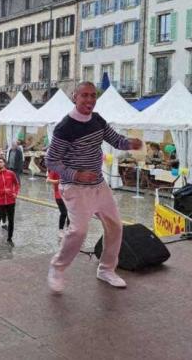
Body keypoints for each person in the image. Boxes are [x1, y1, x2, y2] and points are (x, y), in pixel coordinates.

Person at [45, 81, 143, 293]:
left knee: (116, 225)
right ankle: (57, 267)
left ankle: (106, 269)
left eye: (93, 96)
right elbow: (51, 161)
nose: (90, 100)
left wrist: (129, 144)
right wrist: (76, 174)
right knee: (79, 231)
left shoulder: (97, 120)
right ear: (75, 97)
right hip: (74, 188)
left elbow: (115, 139)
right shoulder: (65, 128)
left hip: (99, 185)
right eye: (85, 96)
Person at [0, 157, 20, 247]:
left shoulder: (11, 173)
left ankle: (9, 238)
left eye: (1, 162)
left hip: (11, 201)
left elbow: (17, 184)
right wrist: (3, 191)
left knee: (11, 220)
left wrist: (15, 193)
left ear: (4, 163)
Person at [46, 169, 70, 238]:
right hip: (59, 195)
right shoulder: (55, 169)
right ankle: (61, 230)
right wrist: (58, 181)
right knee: (64, 213)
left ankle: (69, 230)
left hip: (68, 194)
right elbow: (47, 180)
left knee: (70, 214)